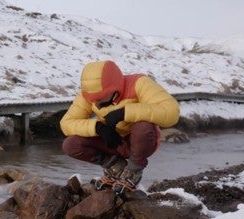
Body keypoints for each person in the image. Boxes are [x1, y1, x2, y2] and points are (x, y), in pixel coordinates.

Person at [60, 60, 180, 192]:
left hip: (141, 141)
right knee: (71, 144)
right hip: (113, 143)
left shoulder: (139, 83)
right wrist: (98, 128)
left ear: (113, 88)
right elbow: (66, 123)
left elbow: (171, 112)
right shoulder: (88, 95)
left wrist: (125, 113)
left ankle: (133, 172)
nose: (95, 101)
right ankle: (115, 167)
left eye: (99, 98)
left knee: (143, 127)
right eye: (92, 98)